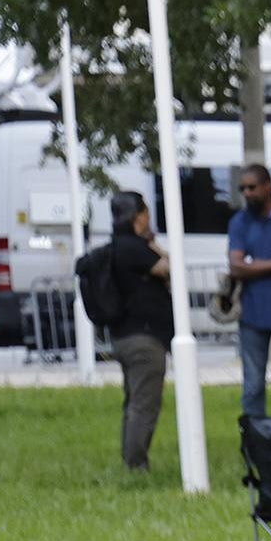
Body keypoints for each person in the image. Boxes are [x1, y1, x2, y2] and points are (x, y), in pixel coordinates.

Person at [101, 191, 174, 473]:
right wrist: (154, 244)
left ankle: (131, 458)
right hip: (145, 339)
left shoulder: (114, 247)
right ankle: (136, 464)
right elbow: (169, 267)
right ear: (140, 216)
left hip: (123, 336)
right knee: (144, 404)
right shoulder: (135, 248)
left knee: (133, 401)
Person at [225, 163, 271, 419]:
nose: (247, 193)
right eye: (243, 188)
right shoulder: (240, 221)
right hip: (253, 313)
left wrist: (253, 265)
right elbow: (235, 266)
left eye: (252, 187)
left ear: (268, 186)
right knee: (253, 385)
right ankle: (254, 443)